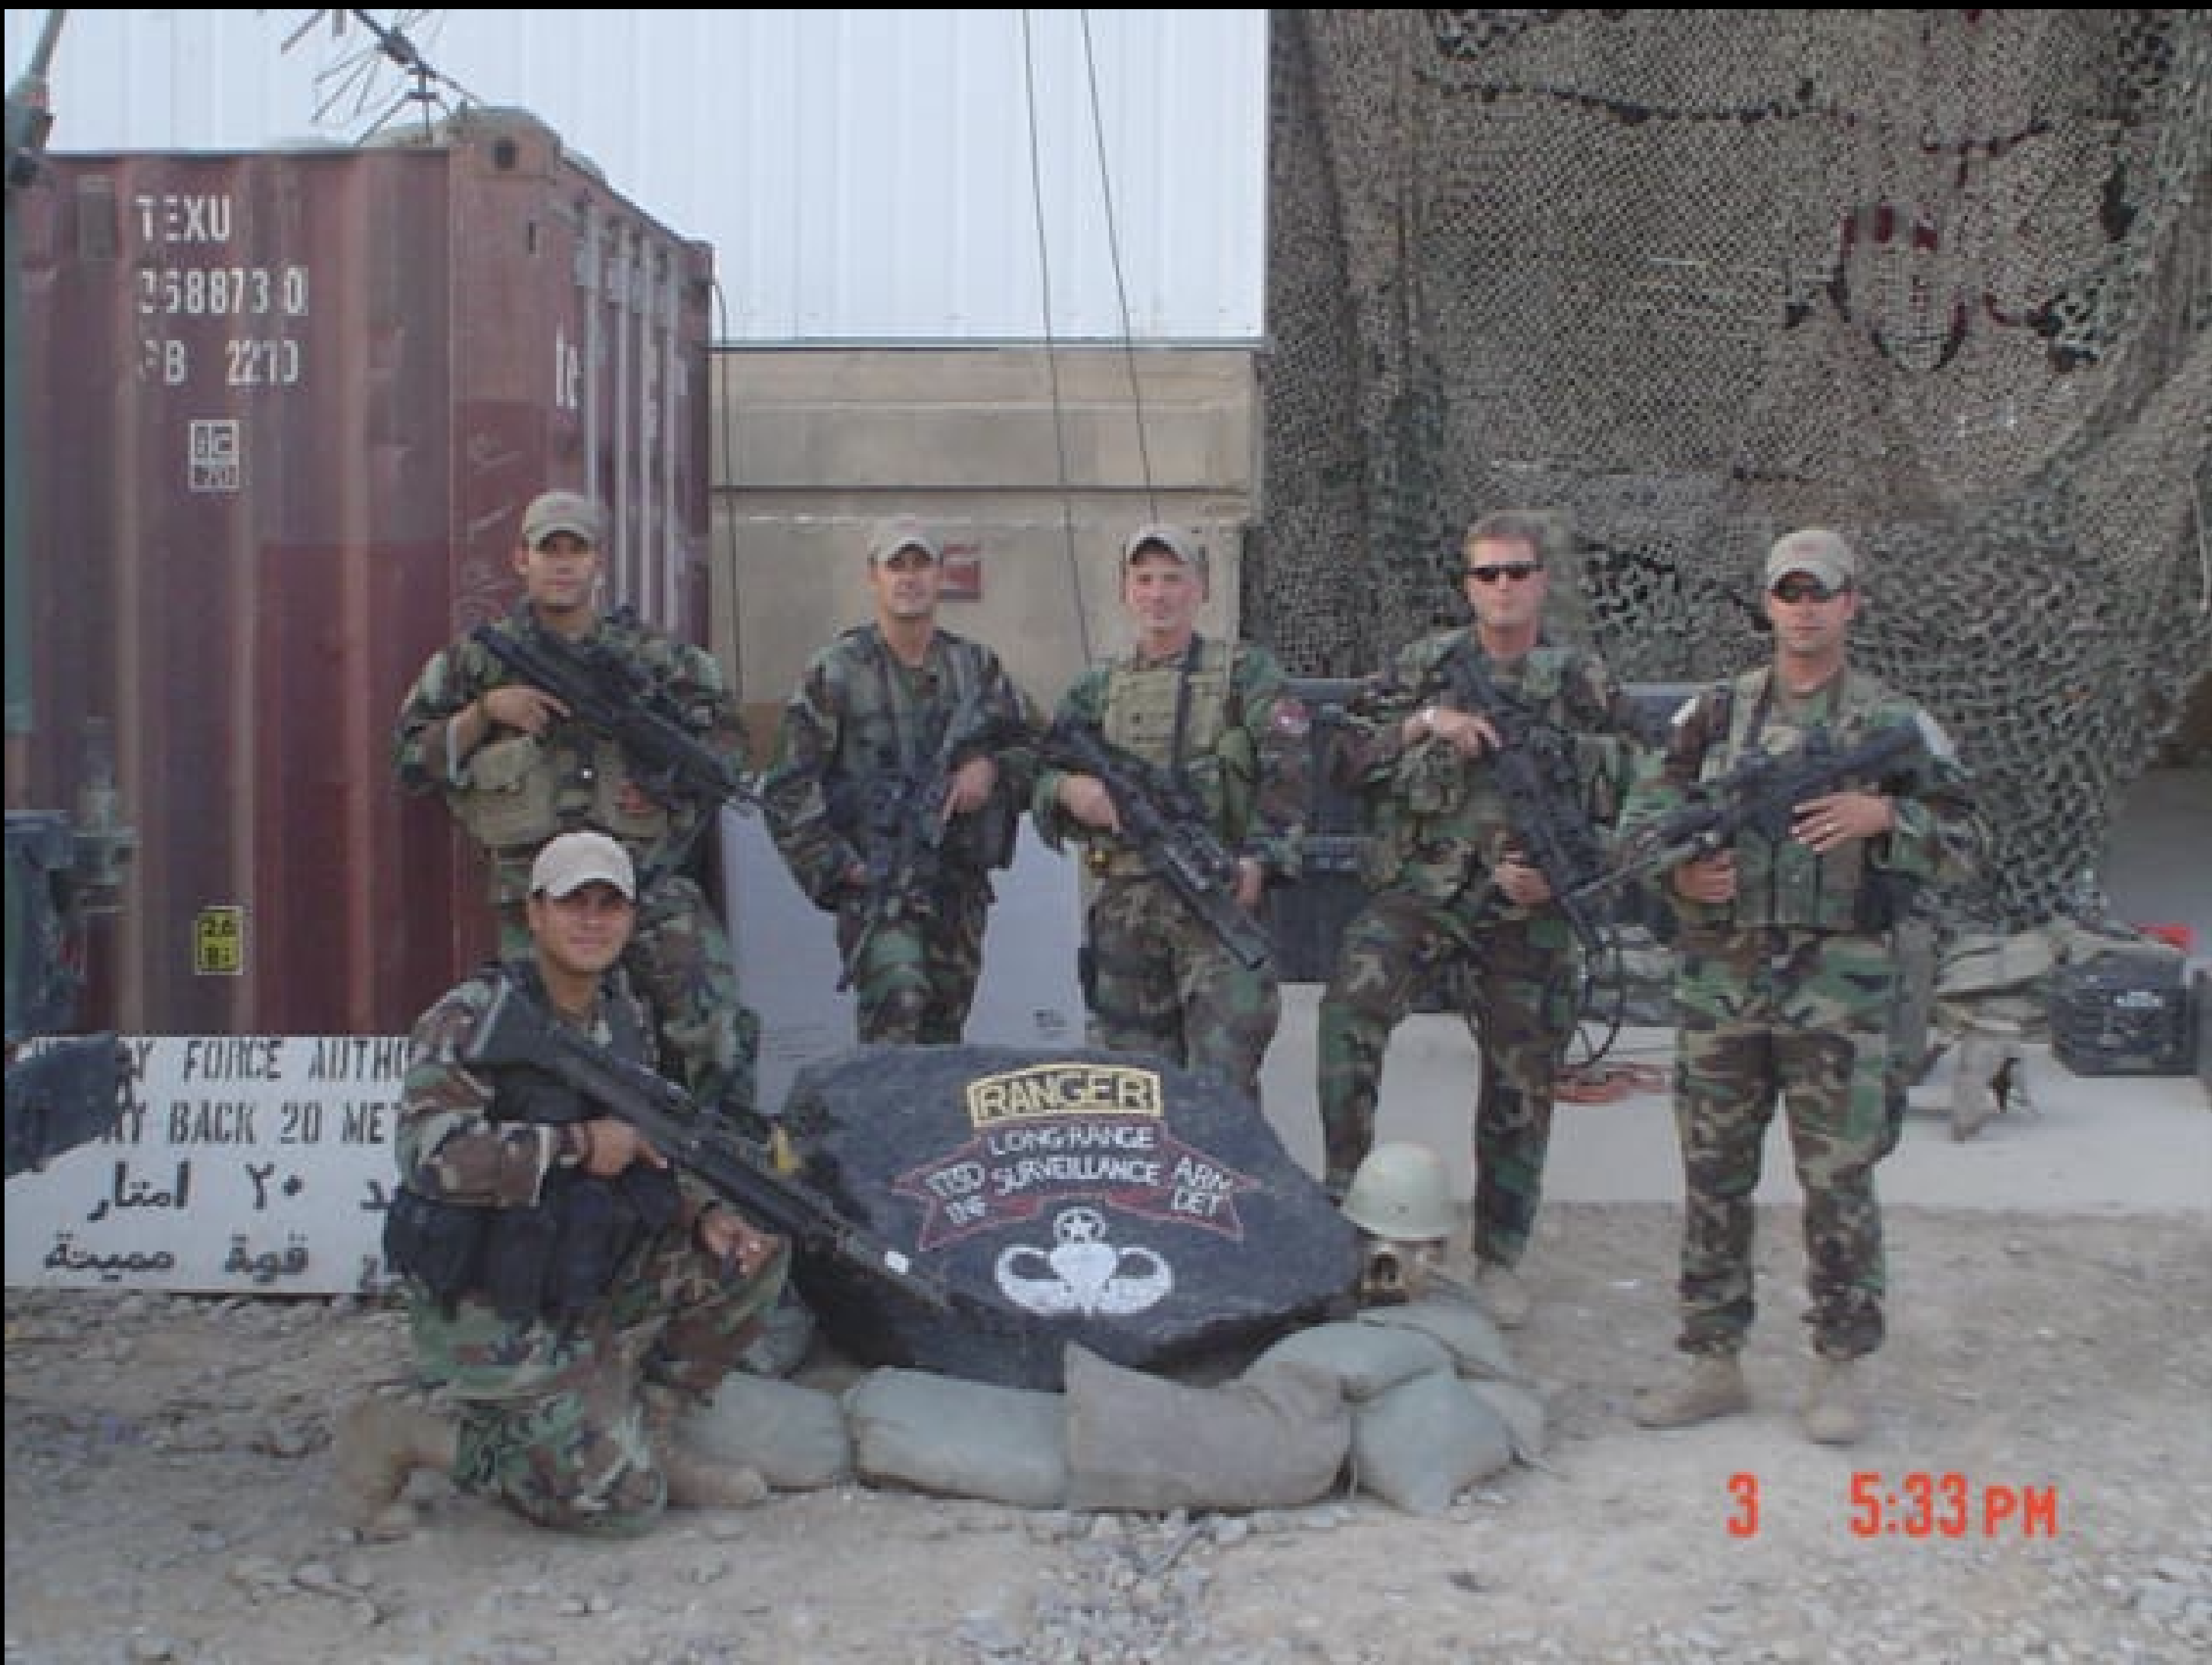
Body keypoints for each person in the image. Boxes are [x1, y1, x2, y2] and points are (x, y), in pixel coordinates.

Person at [1624, 528, 1980, 1444]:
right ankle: (1712, 1358)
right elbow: (1642, 817)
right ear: (1769, 605)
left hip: (1841, 986)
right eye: (1789, 592)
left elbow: (1969, 844)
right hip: (1723, 982)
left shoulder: (1892, 722)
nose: (1806, 608)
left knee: (1838, 1178)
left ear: (1852, 602)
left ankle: (1841, 1365)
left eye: (1822, 592)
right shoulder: (1715, 714)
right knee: (1713, 1173)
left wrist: (1885, 815)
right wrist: (1678, 875)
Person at [334, 830, 790, 1539]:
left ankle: (652, 1430)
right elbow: (428, 1153)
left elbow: (645, 1143)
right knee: (624, 1505)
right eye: (574, 902)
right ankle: (408, 1434)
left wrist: (703, 1213)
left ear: (632, 919)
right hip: (488, 1301)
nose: (592, 920)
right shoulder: (470, 1018)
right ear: (535, 913)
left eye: (610, 904)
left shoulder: (625, 1014)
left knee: (753, 1245)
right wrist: (575, 1146)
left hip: (579, 1274)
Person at [1314, 509, 1648, 1328]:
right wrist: (1426, 724)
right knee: (1348, 1012)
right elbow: (1342, 758)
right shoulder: (1427, 667)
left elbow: (1651, 793)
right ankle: (1342, 1215)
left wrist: (1569, 873)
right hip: (1425, 894)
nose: (1503, 587)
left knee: (1522, 1075)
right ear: (1467, 586)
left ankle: (1501, 1253)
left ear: (1541, 581)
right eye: (1487, 573)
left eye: (1517, 571)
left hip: (1524, 911)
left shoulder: (1581, 682)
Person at [392, 488, 760, 1124]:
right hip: (536, 898)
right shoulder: (480, 659)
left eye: (577, 550)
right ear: (520, 560)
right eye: (549, 549)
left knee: (716, 1030)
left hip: (642, 882)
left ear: (599, 563)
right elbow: (410, 761)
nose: (563, 564)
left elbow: (723, 748)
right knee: (538, 1054)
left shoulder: (655, 658)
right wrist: (485, 713)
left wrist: (664, 784)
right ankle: (545, 1175)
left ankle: (721, 1177)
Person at [1030, 522, 1308, 1104]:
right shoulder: (1098, 687)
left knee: (1222, 1088)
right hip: (1127, 911)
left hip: (1216, 897)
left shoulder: (1246, 673)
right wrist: (1067, 791)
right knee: (1134, 1095)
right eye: (1144, 579)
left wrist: (1260, 860)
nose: (1159, 594)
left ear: (1200, 588)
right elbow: (1032, 765)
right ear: (1126, 591)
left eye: (1173, 579)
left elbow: (1288, 773)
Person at [759, 516, 1038, 1043]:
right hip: (879, 887)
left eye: (920, 565)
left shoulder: (977, 668)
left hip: (956, 887)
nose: (908, 578)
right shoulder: (837, 671)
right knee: (899, 1000)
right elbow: (787, 788)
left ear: (940, 576)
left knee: (943, 1033)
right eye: (896, 566)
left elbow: (1039, 751)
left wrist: (992, 772)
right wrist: (845, 869)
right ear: (874, 577)